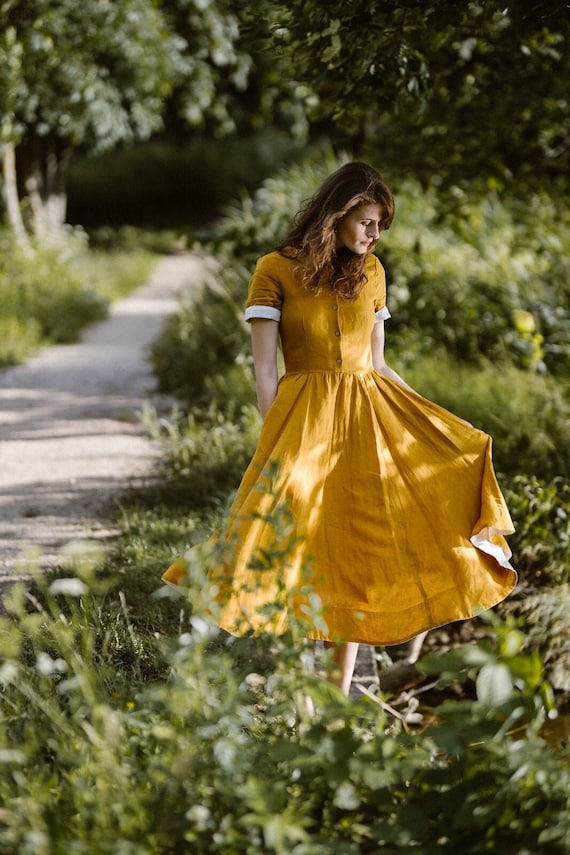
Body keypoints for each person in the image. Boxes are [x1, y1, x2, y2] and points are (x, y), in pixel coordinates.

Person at [162, 162, 517, 695]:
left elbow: (377, 363)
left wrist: (432, 418)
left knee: (355, 547)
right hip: (302, 417)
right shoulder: (274, 270)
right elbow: (264, 368)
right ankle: (297, 671)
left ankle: (334, 695)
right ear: (337, 214)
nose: (375, 236)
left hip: (365, 417)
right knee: (296, 535)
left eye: (380, 226)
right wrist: (273, 429)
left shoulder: (372, 272)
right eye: (368, 222)